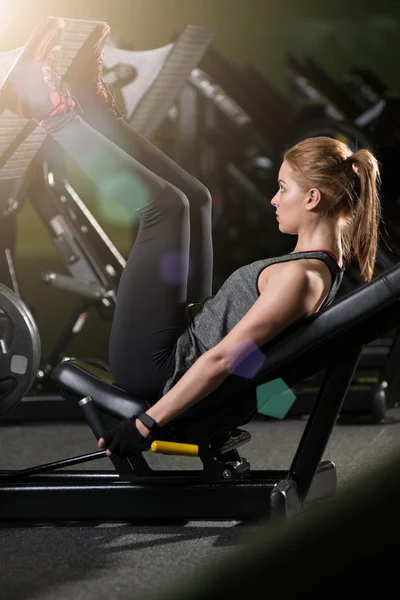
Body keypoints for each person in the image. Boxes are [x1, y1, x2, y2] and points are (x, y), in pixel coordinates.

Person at [3, 20, 381, 458]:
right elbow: (257, 366)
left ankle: (46, 107)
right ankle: (88, 101)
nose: (273, 199)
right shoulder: (319, 266)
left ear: (313, 198)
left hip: (157, 368)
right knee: (195, 200)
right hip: (184, 340)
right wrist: (249, 395)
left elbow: (224, 360)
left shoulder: (300, 280)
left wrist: (146, 423)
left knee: (162, 208)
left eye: (283, 188)